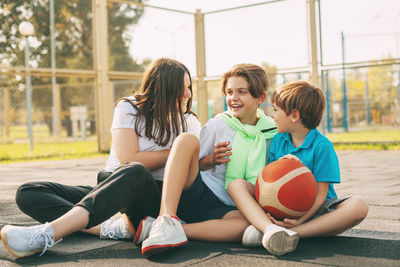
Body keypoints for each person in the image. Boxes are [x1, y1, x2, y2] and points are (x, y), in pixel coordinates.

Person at [0, 58, 201, 258]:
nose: (187, 94)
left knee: (136, 170)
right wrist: (175, 153)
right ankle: (115, 228)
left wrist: (183, 152)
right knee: (29, 192)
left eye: (188, 87)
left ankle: (46, 234)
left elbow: (136, 163)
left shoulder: (189, 122)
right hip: (110, 184)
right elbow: (127, 157)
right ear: (161, 88)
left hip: (149, 196)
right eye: (180, 88)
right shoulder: (129, 107)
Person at [138, 64, 299, 256]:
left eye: (242, 92)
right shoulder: (217, 125)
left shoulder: (272, 132)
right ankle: (166, 219)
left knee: (251, 224)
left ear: (260, 98)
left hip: (227, 206)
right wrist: (211, 159)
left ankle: (170, 230)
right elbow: (190, 164)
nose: (234, 98)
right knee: (186, 140)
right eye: (229, 92)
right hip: (200, 191)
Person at [227, 80, 369, 251]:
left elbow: (321, 195)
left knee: (359, 206)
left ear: (294, 116)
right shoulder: (279, 139)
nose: (273, 115)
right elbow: (268, 183)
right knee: (236, 184)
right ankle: (269, 228)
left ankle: (293, 232)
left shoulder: (322, 146)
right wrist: (280, 166)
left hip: (315, 210)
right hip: (279, 206)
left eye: (276, 110)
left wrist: (300, 220)